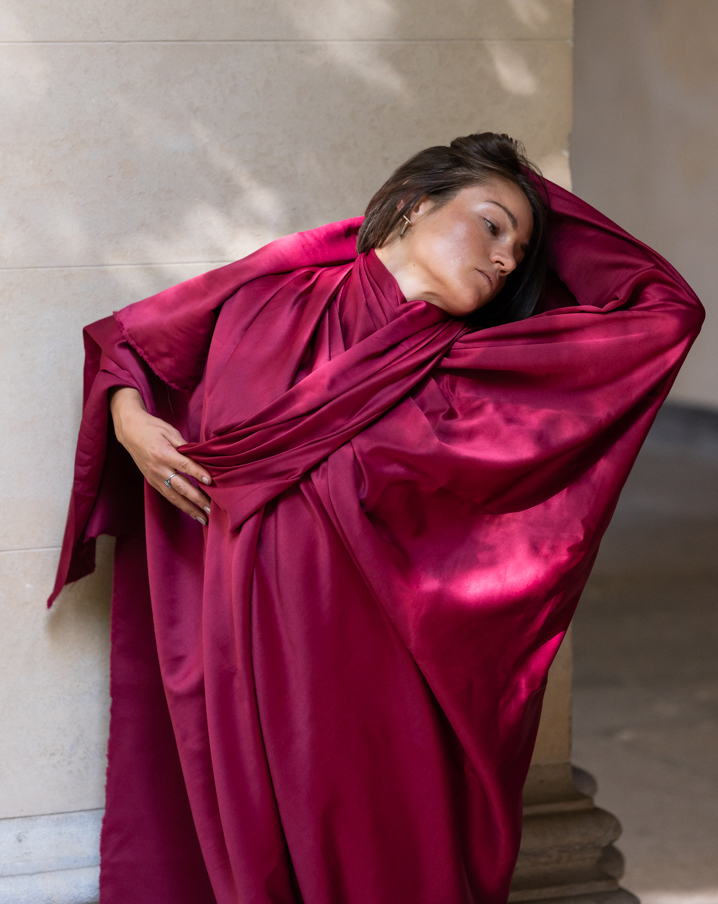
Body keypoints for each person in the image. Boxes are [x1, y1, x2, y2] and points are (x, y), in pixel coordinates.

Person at [50, 132, 703, 904]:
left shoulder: (477, 368)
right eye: (492, 225)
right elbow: (130, 344)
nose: (505, 259)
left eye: (522, 252)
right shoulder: (269, 294)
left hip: (381, 664)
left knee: (383, 856)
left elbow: (667, 311)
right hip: (246, 650)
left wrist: (528, 192)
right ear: (416, 203)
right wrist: (130, 420)